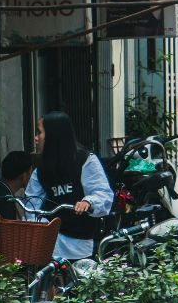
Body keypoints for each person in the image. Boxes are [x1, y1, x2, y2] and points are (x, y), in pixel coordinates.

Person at [24, 111, 115, 261]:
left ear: (54, 135)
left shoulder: (85, 160)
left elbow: (103, 193)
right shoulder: (41, 169)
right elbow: (31, 203)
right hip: (51, 241)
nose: (35, 138)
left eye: (39, 132)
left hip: (79, 242)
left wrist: (88, 202)